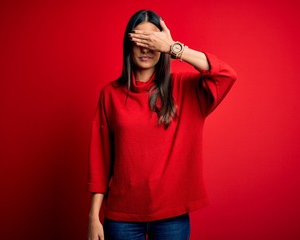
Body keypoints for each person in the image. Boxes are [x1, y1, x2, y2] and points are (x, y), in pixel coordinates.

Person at [87, 9, 237, 240]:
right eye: (140, 39)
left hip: (171, 217)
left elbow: (226, 75)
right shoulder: (110, 94)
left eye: (153, 41)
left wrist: (174, 48)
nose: (147, 48)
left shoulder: (185, 89)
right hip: (121, 217)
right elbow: (101, 159)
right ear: (129, 44)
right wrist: (93, 216)